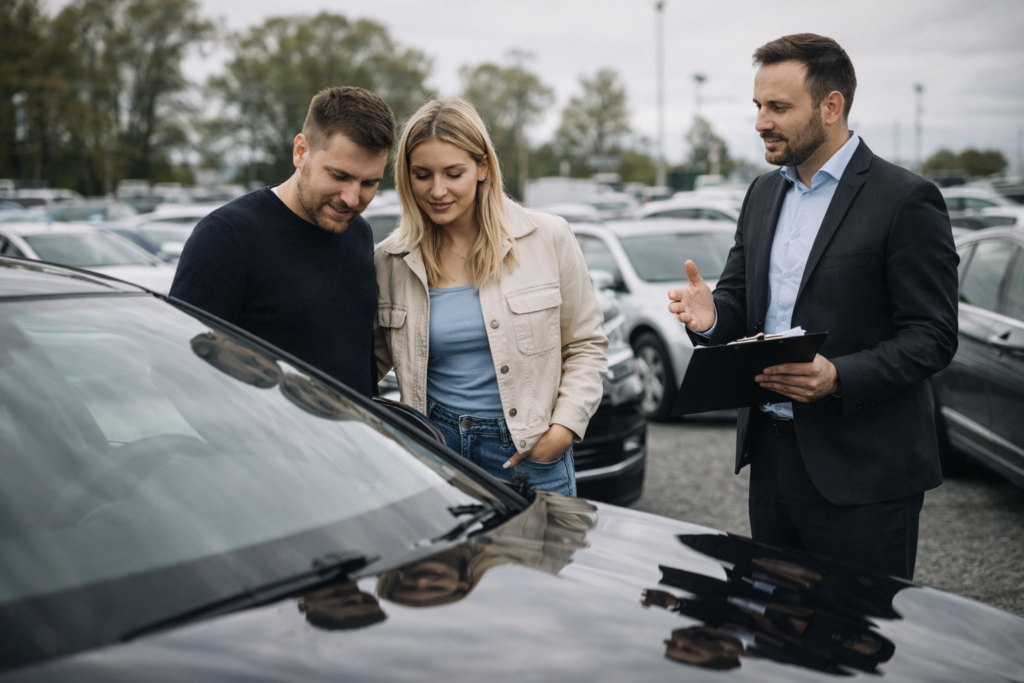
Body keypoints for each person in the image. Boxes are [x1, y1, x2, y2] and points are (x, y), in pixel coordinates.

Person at [667, 34, 959, 579]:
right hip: (772, 462)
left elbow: (933, 335)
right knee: (777, 638)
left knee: (858, 647)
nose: (760, 122)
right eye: (758, 106)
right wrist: (712, 317)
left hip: (865, 476)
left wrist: (838, 377)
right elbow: (738, 300)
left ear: (832, 106)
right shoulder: (761, 193)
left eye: (778, 107)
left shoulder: (905, 199)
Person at [373, 98, 607, 496]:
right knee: (445, 562)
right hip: (434, 453)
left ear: (483, 167)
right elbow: (362, 364)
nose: (437, 190)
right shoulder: (391, 260)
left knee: (535, 560)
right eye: (422, 174)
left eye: (453, 173)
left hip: (530, 455)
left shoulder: (548, 237)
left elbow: (586, 345)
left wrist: (563, 429)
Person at [170, 86, 396, 396]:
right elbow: (177, 369)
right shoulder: (226, 237)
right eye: (339, 176)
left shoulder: (359, 233)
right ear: (301, 152)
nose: (352, 198)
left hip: (354, 442)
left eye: (369, 182)